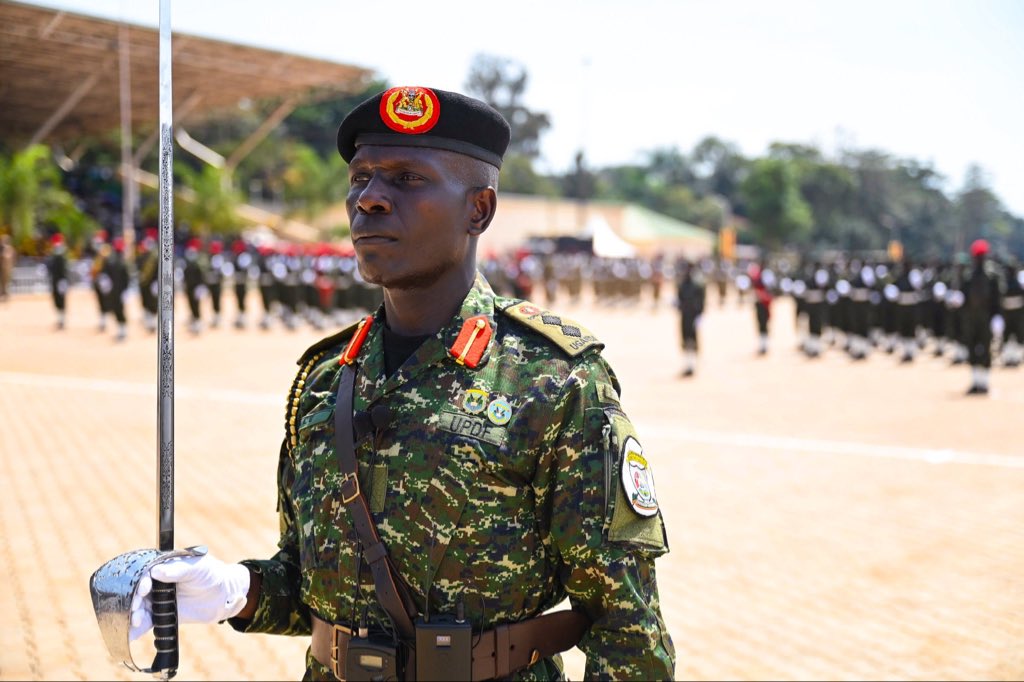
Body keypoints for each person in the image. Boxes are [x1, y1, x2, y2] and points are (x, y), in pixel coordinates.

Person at [126, 86, 675, 680]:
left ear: (479, 210)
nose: (369, 199)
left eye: (408, 179)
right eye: (361, 178)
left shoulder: (554, 380)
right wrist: (237, 590)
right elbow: (311, 586)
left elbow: (628, 630)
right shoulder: (327, 377)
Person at [962, 239, 1002, 395]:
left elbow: (997, 298)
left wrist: (998, 316)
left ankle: (984, 382)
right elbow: (964, 297)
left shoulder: (993, 275)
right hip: (971, 318)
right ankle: (975, 381)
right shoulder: (968, 275)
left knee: (986, 348)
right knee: (972, 347)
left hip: (987, 318)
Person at [676, 258, 705, 376]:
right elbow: (680, 298)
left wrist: (700, 315)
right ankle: (688, 364)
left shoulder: (698, 283)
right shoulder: (682, 283)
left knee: (692, 340)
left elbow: (702, 300)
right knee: (685, 339)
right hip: (685, 315)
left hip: (693, 315)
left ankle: (692, 364)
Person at [46, 233, 69, 329]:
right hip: (55, 280)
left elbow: (64, 269)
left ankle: (62, 320)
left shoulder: (61, 254)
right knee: (56, 299)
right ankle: (60, 319)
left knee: (61, 299)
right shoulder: (54, 254)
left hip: (61, 280)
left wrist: (64, 280)